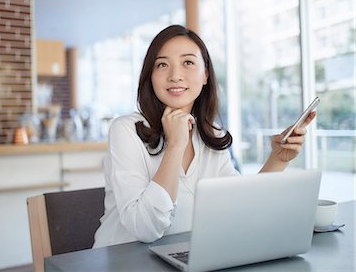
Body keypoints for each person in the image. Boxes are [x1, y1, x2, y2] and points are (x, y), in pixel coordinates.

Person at [93, 25, 316, 248]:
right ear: (150, 76)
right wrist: (176, 145)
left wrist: (277, 159)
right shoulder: (126, 130)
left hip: (186, 255)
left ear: (206, 74)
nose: (175, 76)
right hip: (125, 262)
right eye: (162, 64)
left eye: (188, 62)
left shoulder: (212, 135)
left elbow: (239, 209)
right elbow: (145, 228)